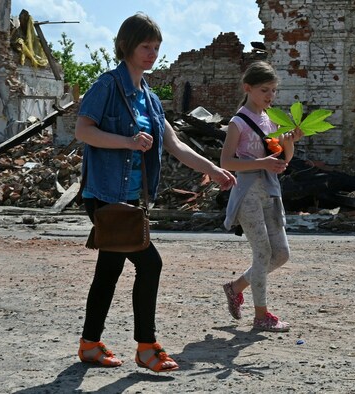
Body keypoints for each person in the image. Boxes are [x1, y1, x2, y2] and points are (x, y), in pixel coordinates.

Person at [74, 12, 236, 372]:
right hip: (105, 194)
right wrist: (127, 142)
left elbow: (175, 144)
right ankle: (146, 347)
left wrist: (213, 169)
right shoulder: (107, 86)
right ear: (127, 46)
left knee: (110, 269)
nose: (152, 53)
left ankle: (90, 344)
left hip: (132, 199)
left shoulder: (149, 97)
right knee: (151, 263)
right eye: (146, 46)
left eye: (157, 47)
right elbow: (83, 131)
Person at [219, 61, 303, 332]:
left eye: (274, 91)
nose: (270, 96)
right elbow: (226, 162)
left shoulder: (271, 120)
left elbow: (282, 160)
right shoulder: (238, 122)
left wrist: (289, 143)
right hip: (247, 194)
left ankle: (236, 287)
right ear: (248, 88)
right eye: (265, 90)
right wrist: (263, 163)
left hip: (270, 191)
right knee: (263, 252)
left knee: (281, 254)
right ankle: (261, 315)